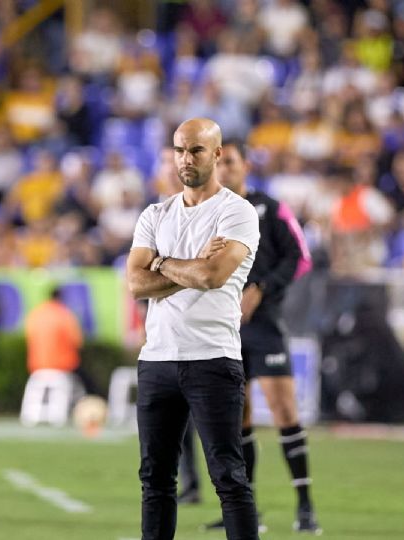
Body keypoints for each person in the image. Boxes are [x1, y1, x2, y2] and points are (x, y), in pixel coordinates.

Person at [127, 118, 260, 540]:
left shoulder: (236, 212)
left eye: (196, 150)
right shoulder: (155, 213)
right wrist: (185, 265)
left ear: (218, 154)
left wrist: (162, 262)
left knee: (229, 478)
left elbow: (212, 276)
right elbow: (135, 283)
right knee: (156, 481)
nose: (186, 159)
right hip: (158, 360)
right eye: (180, 150)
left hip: (213, 358)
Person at [179, 140, 320, 534]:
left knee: (284, 412)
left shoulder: (269, 208)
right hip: (222, 329)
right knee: (235, 421)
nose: (224, 170)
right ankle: (246, 512)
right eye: (218, 163)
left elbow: (301, 257)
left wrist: (261, 288)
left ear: (245, 166)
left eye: (231, 163)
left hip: (264, 327)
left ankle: (305, 506)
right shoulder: (206, 211)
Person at [24, 286, 99, 396]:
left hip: (36, 366)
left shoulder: (36, 314)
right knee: (87, 382)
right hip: (63, 365)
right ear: (61, 298)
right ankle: (92, 401)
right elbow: (78, 341)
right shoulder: (64, 315)